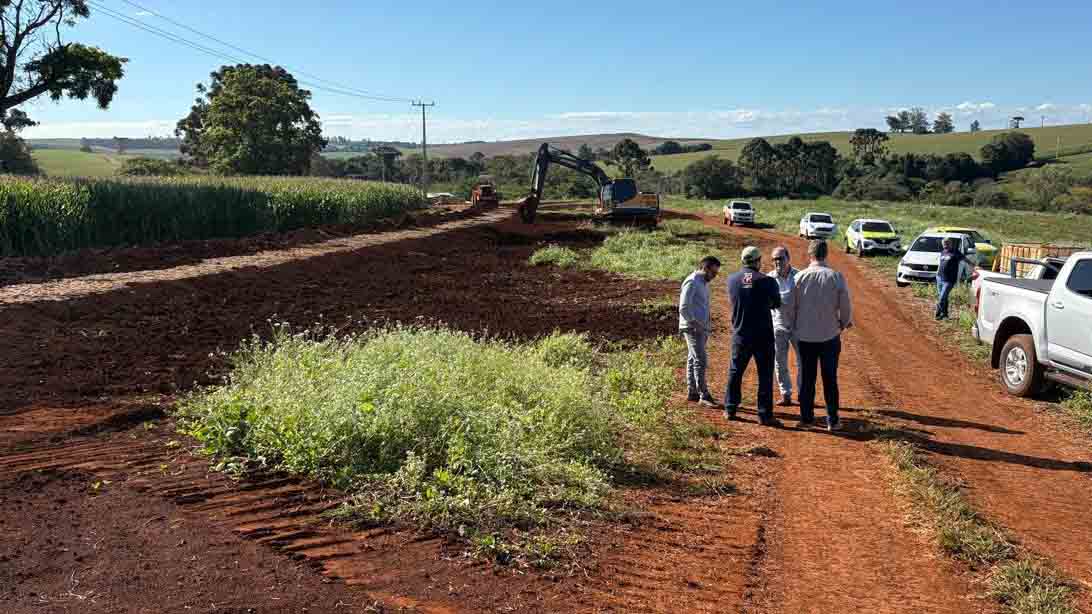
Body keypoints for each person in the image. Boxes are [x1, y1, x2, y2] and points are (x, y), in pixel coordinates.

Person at [791, 240, 853, 431]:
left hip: (805, 336)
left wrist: (794, 326)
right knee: (830, 378)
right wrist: (843, 323)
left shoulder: (799, 277)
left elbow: (791, 307)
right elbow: (845, 305)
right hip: (829, 336)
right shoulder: (836, 277)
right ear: (826, 254)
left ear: (810, 255)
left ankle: (806, 418)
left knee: (807, 378)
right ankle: (832, 420)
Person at [724, 246, 782, 426]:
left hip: (740, 334)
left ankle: (730, 408)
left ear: (743, 260)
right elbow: (776, 303)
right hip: (763, 336)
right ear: (758, 261)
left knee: (735, 371)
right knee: (764, 375)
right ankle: (764, 414)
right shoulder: (768, 281)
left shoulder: (731, 280)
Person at [679, 255, 721, 407]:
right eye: (713, 273)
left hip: (700, 328)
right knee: (700, 360)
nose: (714, 277)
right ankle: (704, 394)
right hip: (692, 328)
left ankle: (692, 392)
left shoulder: (703, 282)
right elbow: (683, 307)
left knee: (693, 358)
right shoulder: (692, 282)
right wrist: (695, 323)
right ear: (705, 268)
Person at [769, 246, 801, 407]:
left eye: (780, 258)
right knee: (780, 362)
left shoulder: (800, 276)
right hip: (778, 326)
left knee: (803, 361)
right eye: (774, 259)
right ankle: (785, 394)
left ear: (788, 258)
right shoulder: (769, 279)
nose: (777, 262)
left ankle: (803, 394)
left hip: (798, 327)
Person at [935, 237, 969, 321]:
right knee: (944, 297)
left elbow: (965, 259)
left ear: (950, 244)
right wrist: (936, 273)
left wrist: (974, 266)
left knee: (942, 297)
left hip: (949, 280)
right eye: (944, 244)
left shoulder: (956, 253)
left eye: (947, 244)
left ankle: (938, 313)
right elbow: (940, 263)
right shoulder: (943, 252)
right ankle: (945, 314)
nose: (945, 246)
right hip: (939, 277)